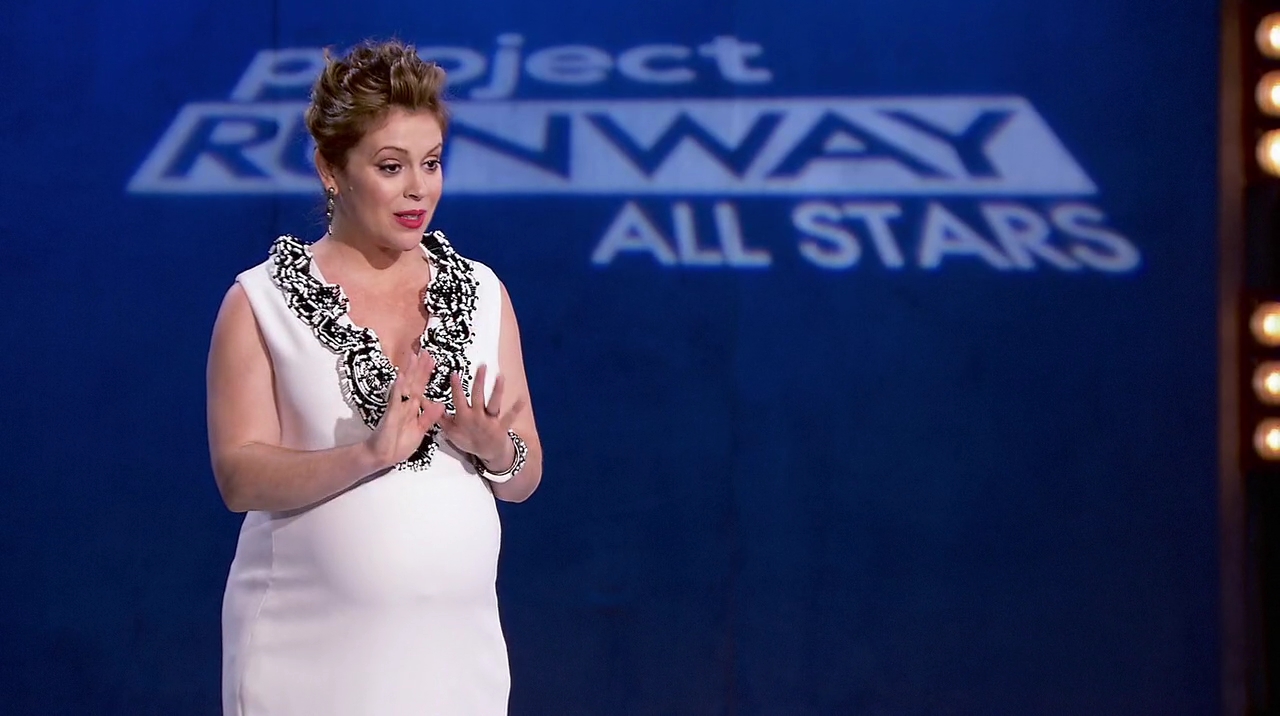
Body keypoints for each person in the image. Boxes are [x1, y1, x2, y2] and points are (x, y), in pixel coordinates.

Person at [205, 39, 542, 716]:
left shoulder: (483, 293)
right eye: (391, 166)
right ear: (331, 169)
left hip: (455, 664)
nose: (419, 188)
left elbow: (525, 475)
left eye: (432, 162)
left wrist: (492, 447)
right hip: (306, 660)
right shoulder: (260, 303)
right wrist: (368, 455)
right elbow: (239, 478)